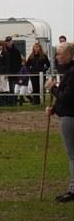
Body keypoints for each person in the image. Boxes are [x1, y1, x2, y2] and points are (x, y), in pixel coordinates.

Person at [46, 41, 74, 203]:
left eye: (60, 54)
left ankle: (73, 189)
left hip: (70, 118)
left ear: (69, 55)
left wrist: (52, 88)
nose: (57, 57)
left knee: (72, 155)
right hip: (66, 114)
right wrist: (54, 109)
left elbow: (67, 97)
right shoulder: (68, 72)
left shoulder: (72, 73)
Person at [0, 36, 22, 106]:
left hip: (11, 72)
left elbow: (17, 62)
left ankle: (12, 102)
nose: (8, 43)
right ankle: (3, 102)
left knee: (11, 88)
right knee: (2, 87)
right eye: (7, 42)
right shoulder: (1, 52)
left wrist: (15, 70)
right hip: (2, 71)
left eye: (9, 41)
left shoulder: (15, 51)